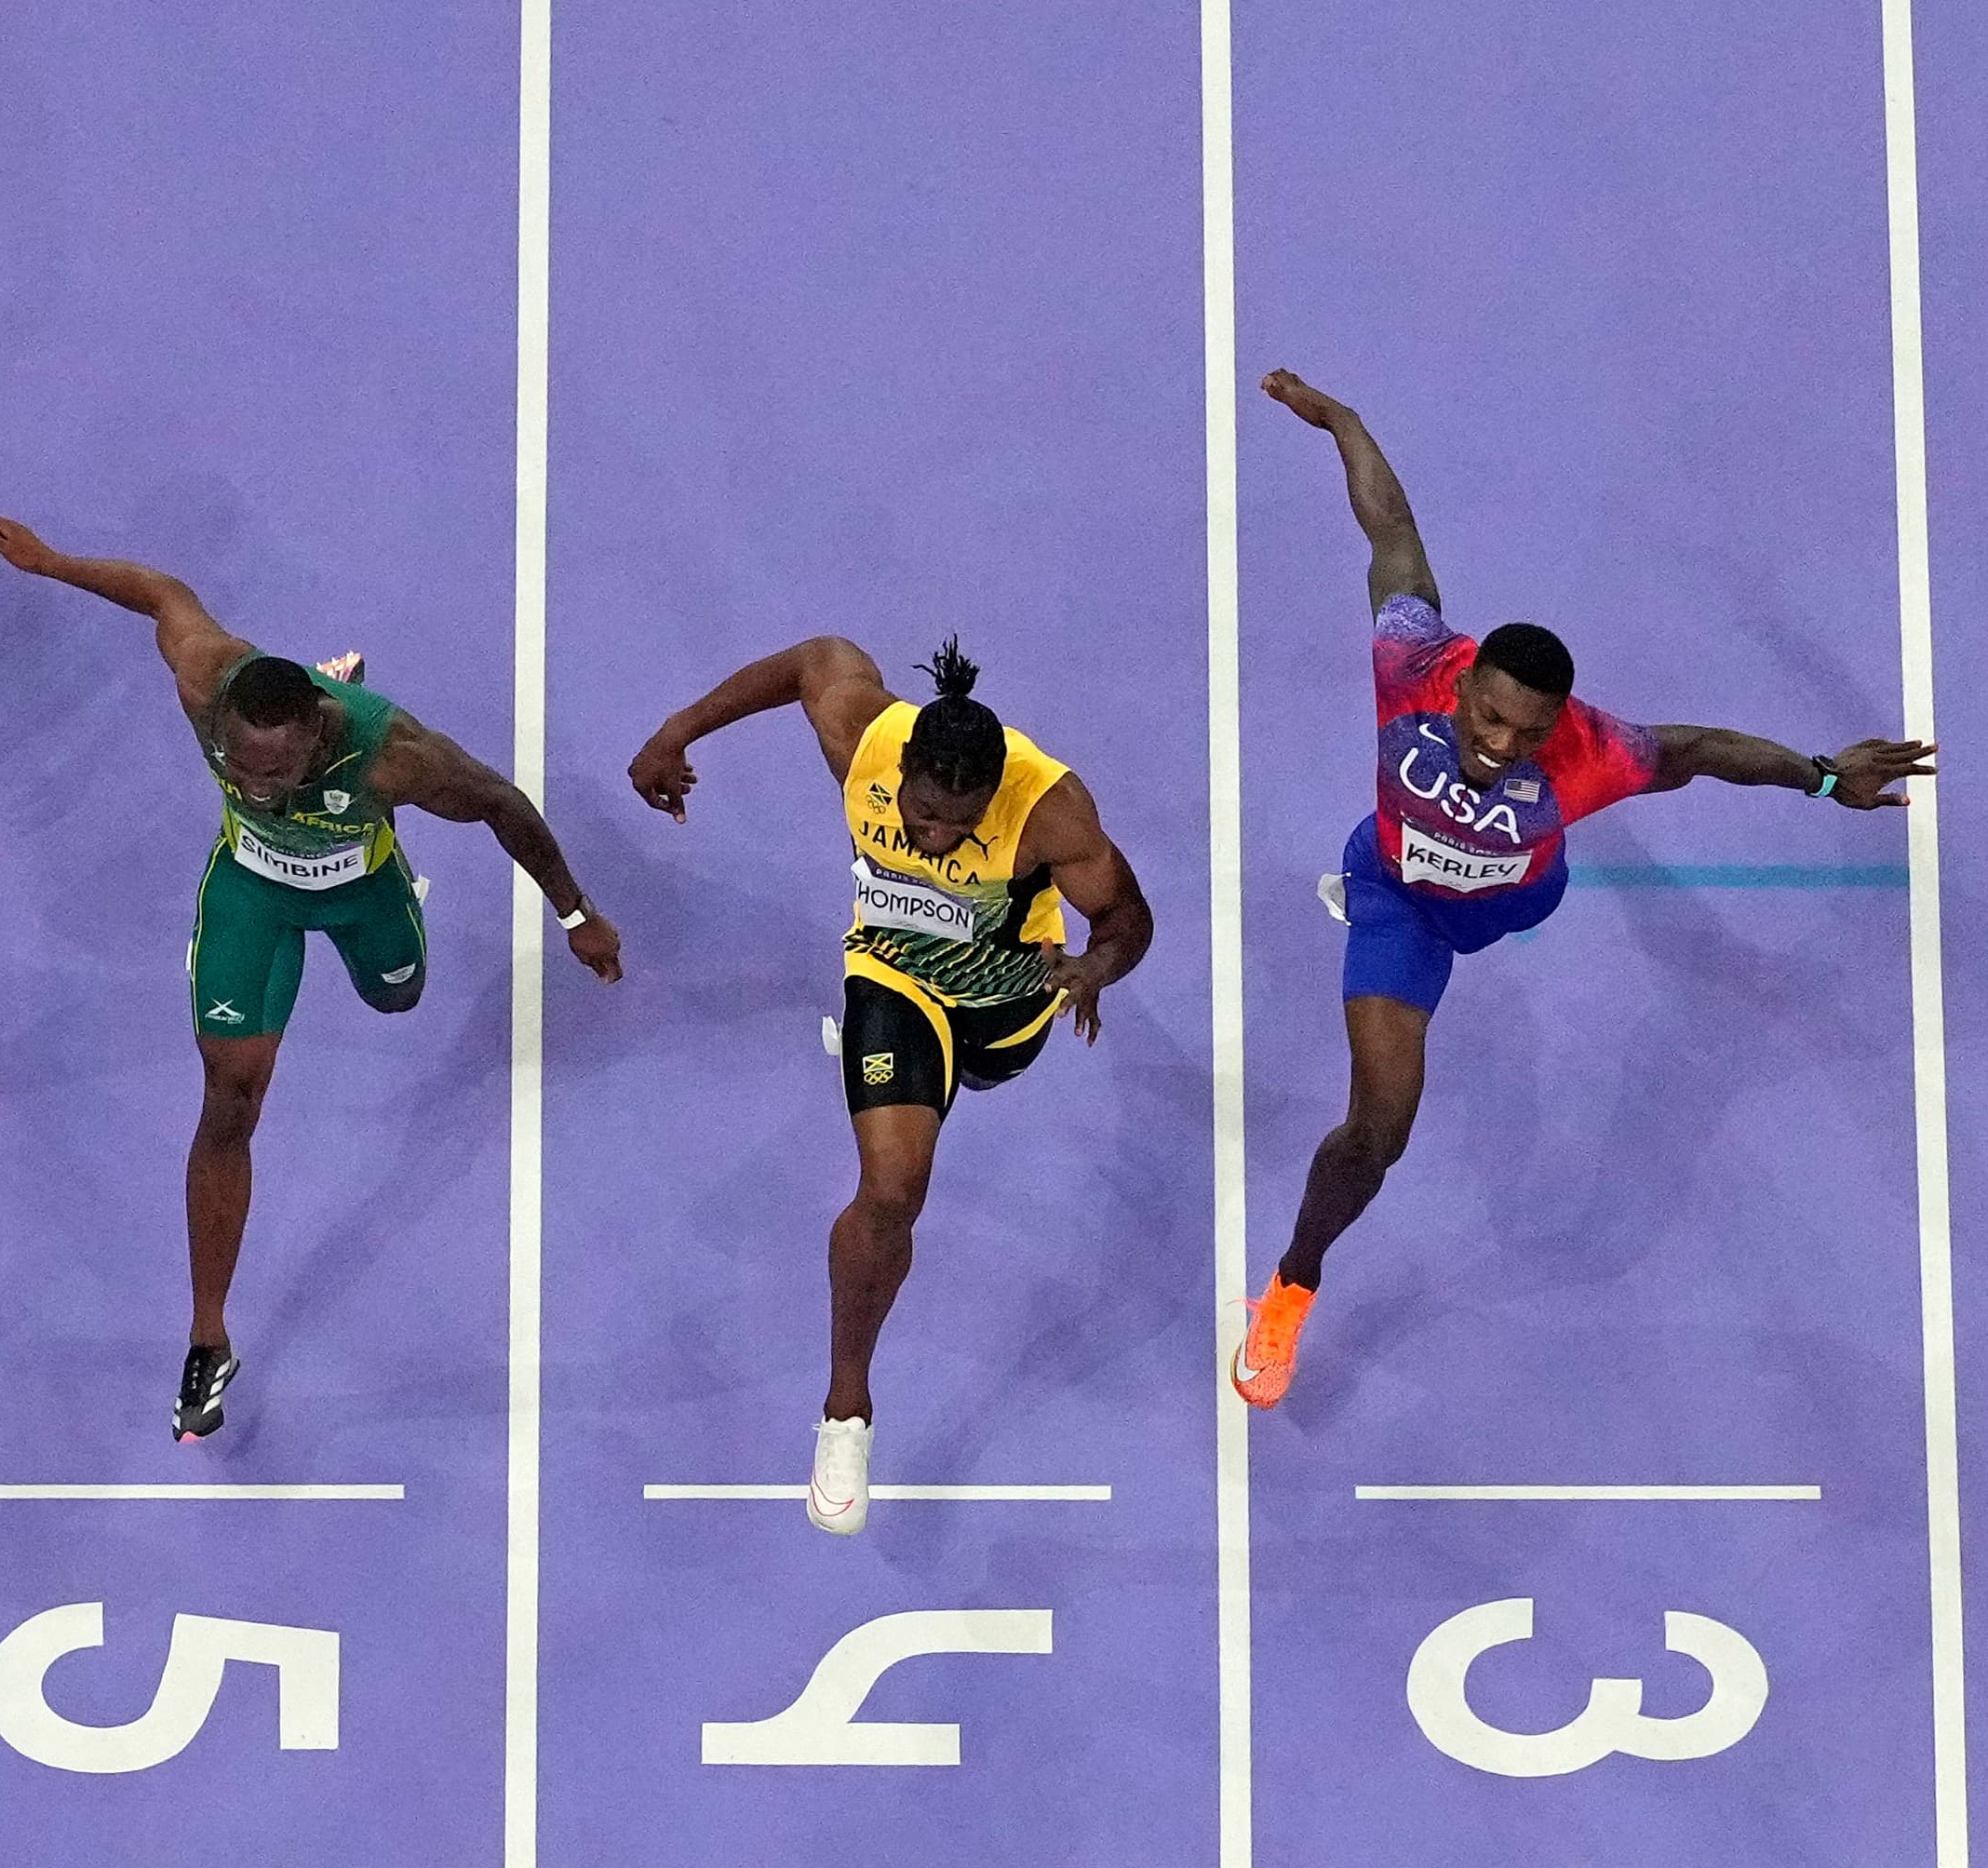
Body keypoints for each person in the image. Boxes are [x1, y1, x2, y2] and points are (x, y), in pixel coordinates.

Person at [1232, 369, 1929, 1406]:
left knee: (1519, 902)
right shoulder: (1409, 660)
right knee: (1380, 1128)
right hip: (1400, 898)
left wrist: (1823, 775)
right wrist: (1342, 421)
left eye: (1523, 732)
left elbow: (1696, 748)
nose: (1497, 745)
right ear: (1462, 684)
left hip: (1511, 897)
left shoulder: (1591, 750)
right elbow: (1390, 534)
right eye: (1487, 719)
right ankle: (1293, 1282)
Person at [0, 515, 625, 1439]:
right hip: (254, 889)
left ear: (317, 729)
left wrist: (573, 914)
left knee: (397, 995)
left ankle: (369, 815)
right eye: (236, 765)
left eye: (273, 769)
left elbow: (497, 803)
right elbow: (163, 595)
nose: (251, 782)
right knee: (230, 1097)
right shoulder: (208, 677)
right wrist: (50, 564)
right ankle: (208, 1337)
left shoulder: (391, 754)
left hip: (357, 882)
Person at [633, 635, 1151, 1531]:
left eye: (960, 821)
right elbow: (814, 660)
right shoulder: (865, 736)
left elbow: (1126, 912)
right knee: (892, 1189)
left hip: (1009, 1005)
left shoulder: (1049, 809)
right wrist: (678, 731)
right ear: (904, 766)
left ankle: (961, 1067)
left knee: (979, 1082)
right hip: (895, 978)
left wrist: (1098, 966)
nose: (937, 835)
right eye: (923, 811)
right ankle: (845, 1412)